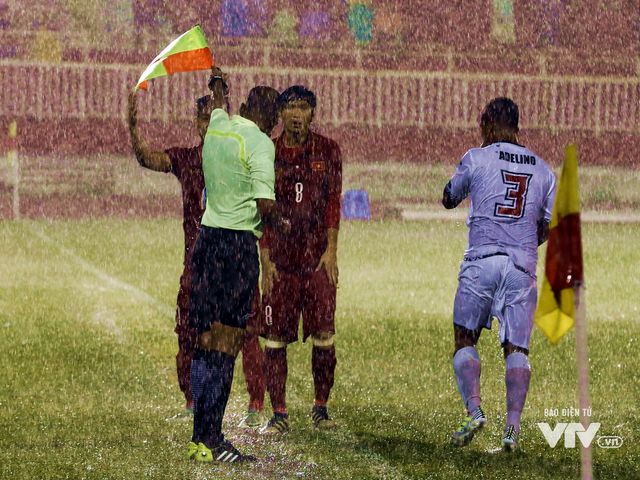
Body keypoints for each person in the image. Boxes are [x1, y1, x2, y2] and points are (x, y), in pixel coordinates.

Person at [442, 97, 556, 452]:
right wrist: (522, 241)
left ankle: (474, 410)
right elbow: (547, 227)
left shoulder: (477, 156)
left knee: (465, 339)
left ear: (487, 125)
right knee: (516, 348)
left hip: (482, 261)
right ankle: (511, 431)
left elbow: (448, 196)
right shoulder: (543, 170)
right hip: (521, 267)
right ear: (517, 126)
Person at [186, 70, 282, 463]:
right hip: (238, 245)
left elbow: (219, 105)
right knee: (227, 346)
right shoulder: (261, 144)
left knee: (205, 340)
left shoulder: (217, 127)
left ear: (242, 108)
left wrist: (218, 86)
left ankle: (198, 437)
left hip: (207, 242)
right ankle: (213, 439)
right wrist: (284, 220)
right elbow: (264, 204)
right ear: (274, 121)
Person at [259, 85, 342, 434]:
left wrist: (332, 251)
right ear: (280, 113)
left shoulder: (328, 150)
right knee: (275, 338)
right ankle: (279, 412)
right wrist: (265, 261)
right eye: (291, 107)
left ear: (313, 113)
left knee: (324, 334)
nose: (296, 114)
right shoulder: (268, 152)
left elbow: (332, 203)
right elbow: (261, 207)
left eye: (303, 107)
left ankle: (320, 407)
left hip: (316, 260)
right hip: (281, 261)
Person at [127, 88, 211, 416]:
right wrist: (133, 128)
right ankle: (192, 400)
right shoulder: (188, 159)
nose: (208, 123)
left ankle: (254, 403)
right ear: (196, 123)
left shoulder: (238, 160)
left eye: (214, 116)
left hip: (228, 262)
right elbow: (148, 159)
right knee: (188, 334)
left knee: (231, 337)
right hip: (195, 263)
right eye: (203, 117)